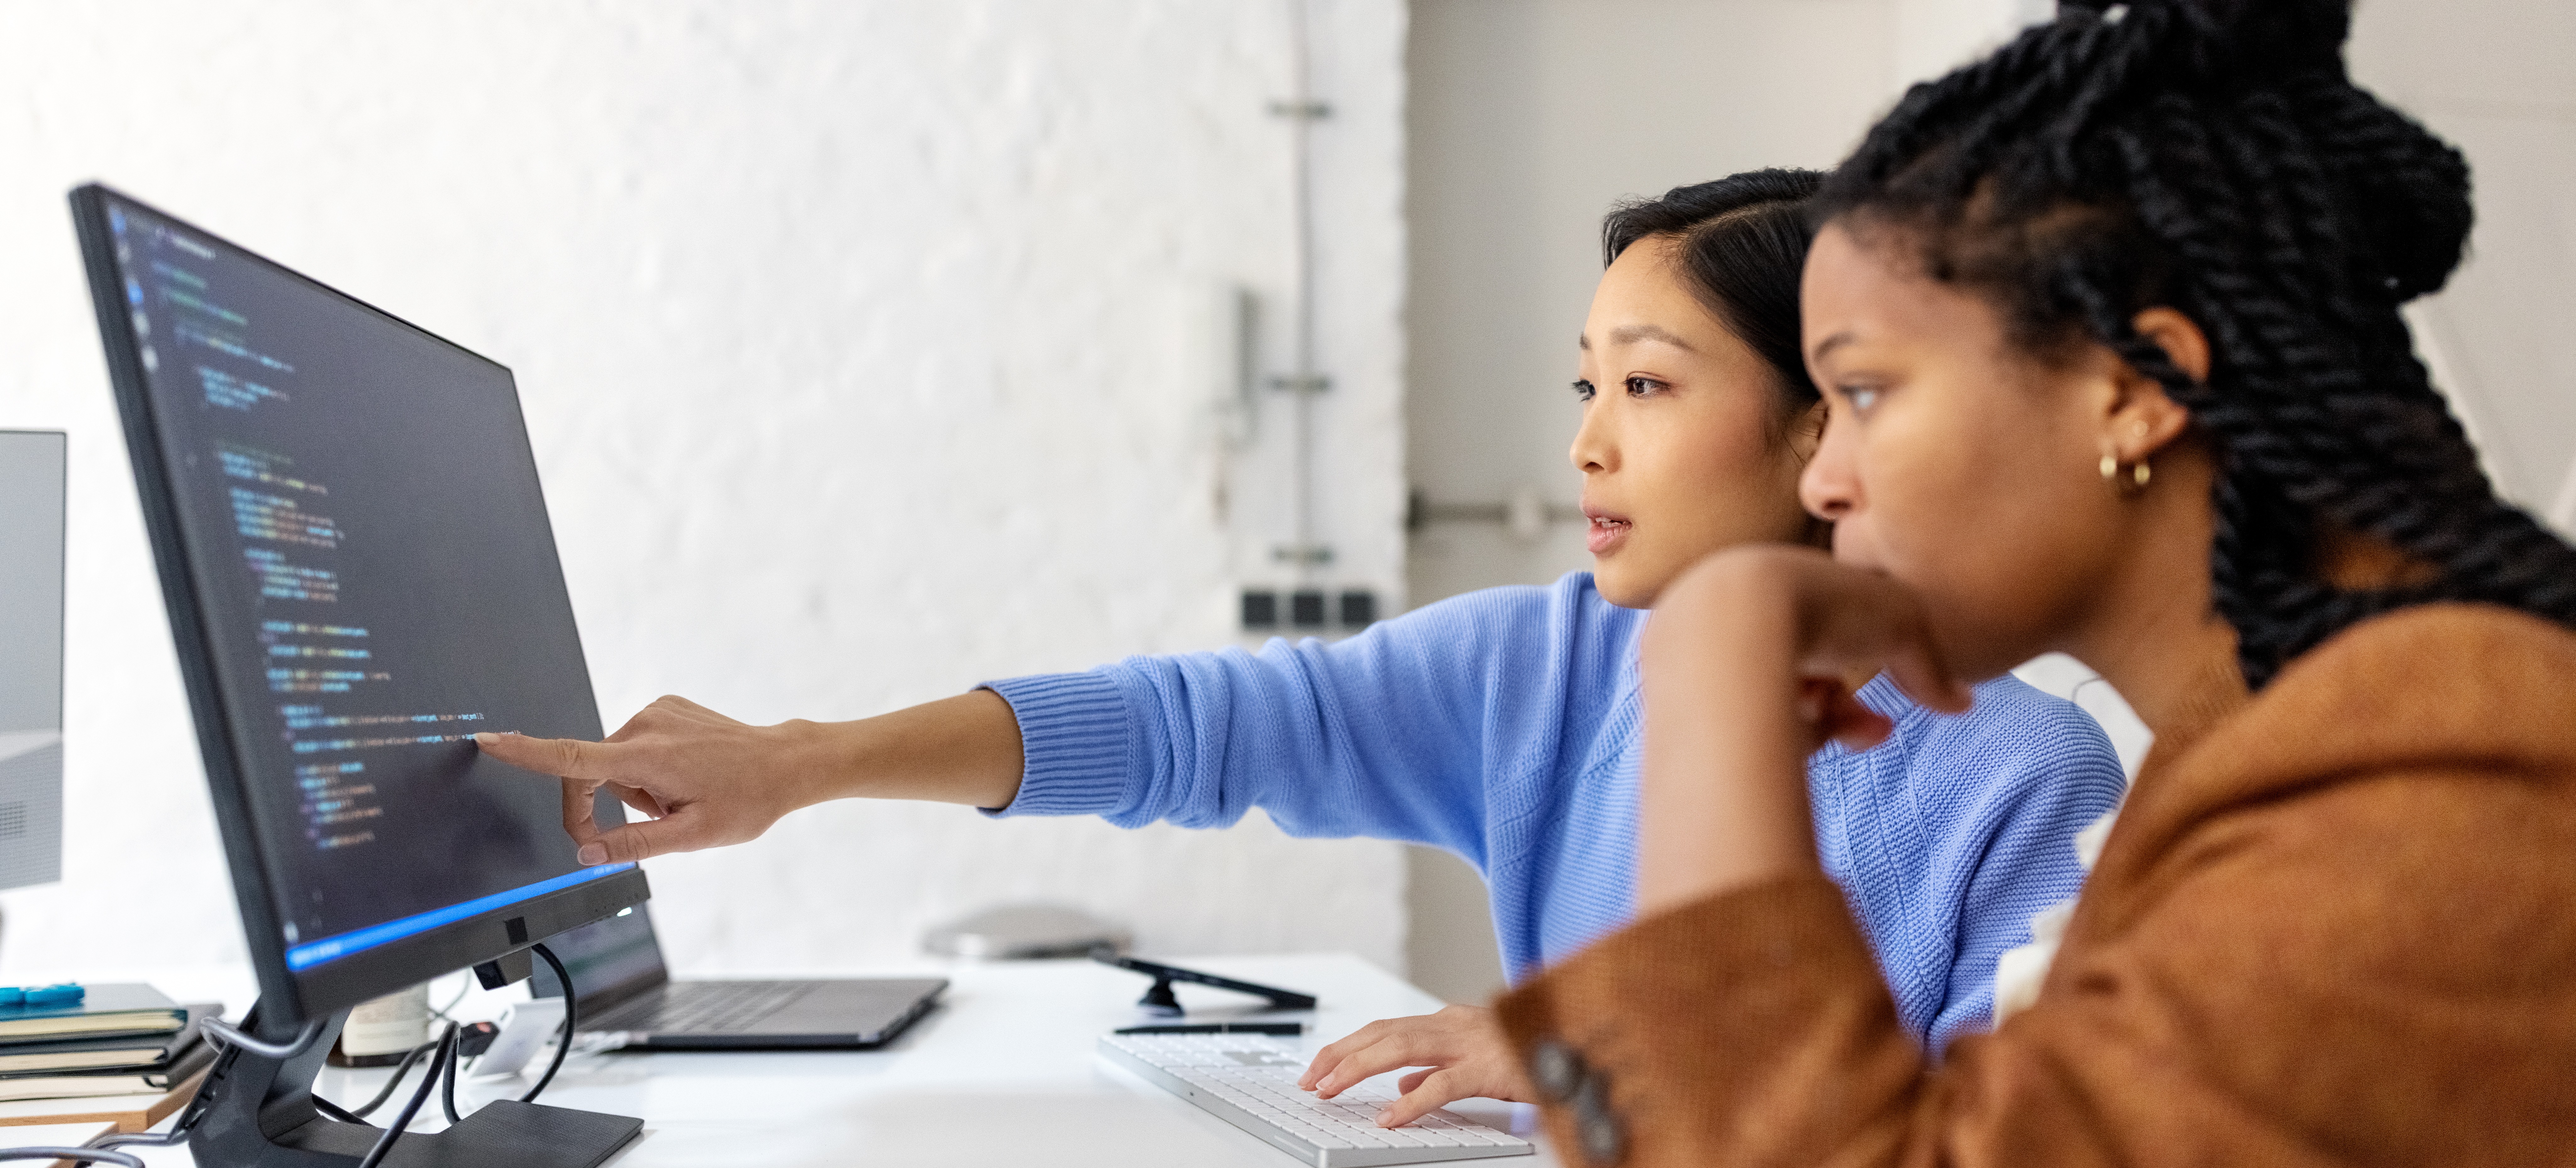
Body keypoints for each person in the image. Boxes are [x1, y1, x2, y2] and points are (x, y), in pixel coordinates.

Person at [477, 171, 2124, 1127]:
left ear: (1819, 427)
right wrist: (803, 764)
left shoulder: (2019, 780)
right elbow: (1194, 727)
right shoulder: (1545, 671)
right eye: (1585, 388)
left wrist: (1590, 1050)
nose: (1589, 448)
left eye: (1649, 384)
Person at [1490, 1, 2576, 1164]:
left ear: (2134, 386)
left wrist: (1715, 664)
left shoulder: (2432, 779)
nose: (1831, 479)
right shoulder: (2272, 744)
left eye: (1863, 395)